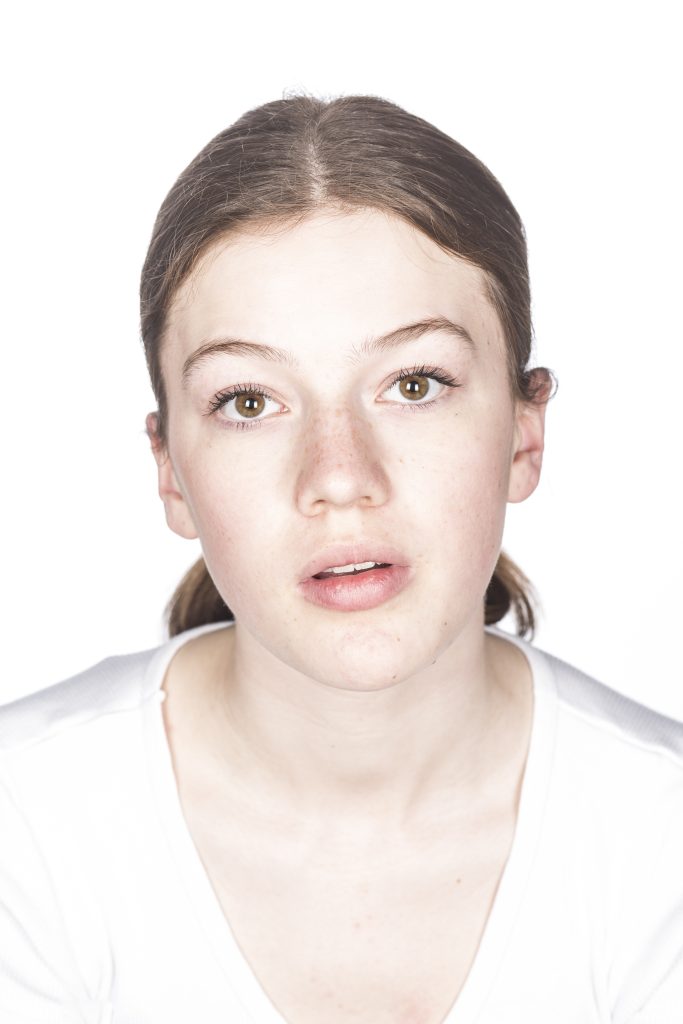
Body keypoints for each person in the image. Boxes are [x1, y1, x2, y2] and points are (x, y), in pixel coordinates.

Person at [1, 94, 681, 1024]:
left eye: (413, 384)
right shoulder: (24, 828)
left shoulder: (661, 839)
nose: (339, 476)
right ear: (170, 471)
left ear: (523, 435)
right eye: (248, 401)